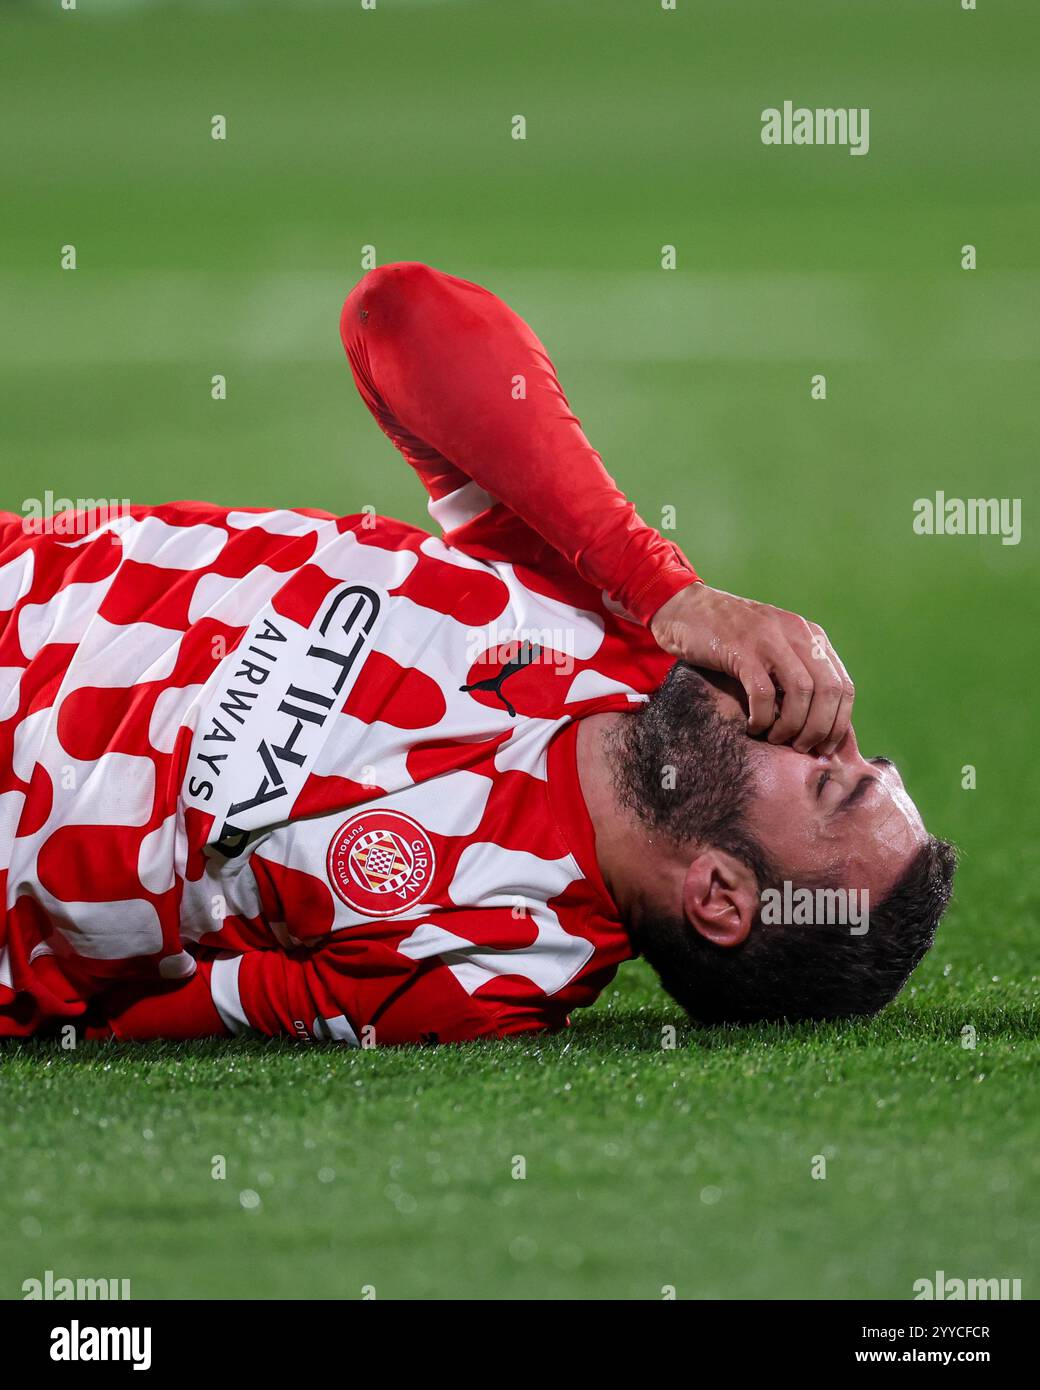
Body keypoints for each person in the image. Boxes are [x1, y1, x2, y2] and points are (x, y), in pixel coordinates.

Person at [0, 263, 954, 1045]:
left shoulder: (492, 966)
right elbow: (394, 313)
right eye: (863, 750)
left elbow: (137, 1015)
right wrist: (666, 590)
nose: (832, 725)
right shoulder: (608, 611)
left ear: (717, 894)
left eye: (834, 781)